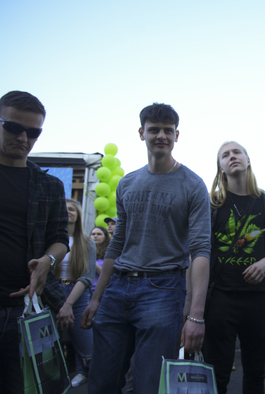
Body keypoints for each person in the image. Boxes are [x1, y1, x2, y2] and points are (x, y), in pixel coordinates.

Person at [81, 103, 211, 394]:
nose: (161, 135)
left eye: (168, 130)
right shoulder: (127, 183)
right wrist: (96, 297)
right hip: (117, 289)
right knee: (101, 382)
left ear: (178, 135)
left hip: (163, 291)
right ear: (142, 133)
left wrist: (195, 314)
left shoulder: (193, 185)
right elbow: (116, 243)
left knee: (148, 385)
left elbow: (201, 249)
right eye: (154, 129)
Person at [0, 90, 69, 393]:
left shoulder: (49, 184)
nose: (23, 137)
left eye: (33, 132)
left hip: (25, 310)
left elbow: (59, 238)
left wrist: (48, 260)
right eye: (14, 127)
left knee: (23, 387)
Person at [203, 141, 265, 394]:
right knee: (218, 375)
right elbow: (199, 253)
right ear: (221, 167)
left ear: (248, 160)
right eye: (225, 155)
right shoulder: (211, 205)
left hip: (258, 300)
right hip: (220, 297)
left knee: (255, 374)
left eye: (237, 152)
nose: (232, 157)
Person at [55, 198, 96, 387]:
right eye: (65, 209)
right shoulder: (52, 239)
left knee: (88, 348)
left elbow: (87, 277)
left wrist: (69, 304)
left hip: (78, 295)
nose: (69, 212)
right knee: (50, 347)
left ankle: (85, 375)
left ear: (78, 215)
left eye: (72, 209)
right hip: (52, 293)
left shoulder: (87, 242)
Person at [90, 226, 110, 292]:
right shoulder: (85, 251)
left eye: (99, 234)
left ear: (105, 237)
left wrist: (92, 263)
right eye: (93, 234)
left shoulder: (109, 252)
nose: (95, 236)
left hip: (101, 290)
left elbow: (108, 275)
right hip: (86, 289)